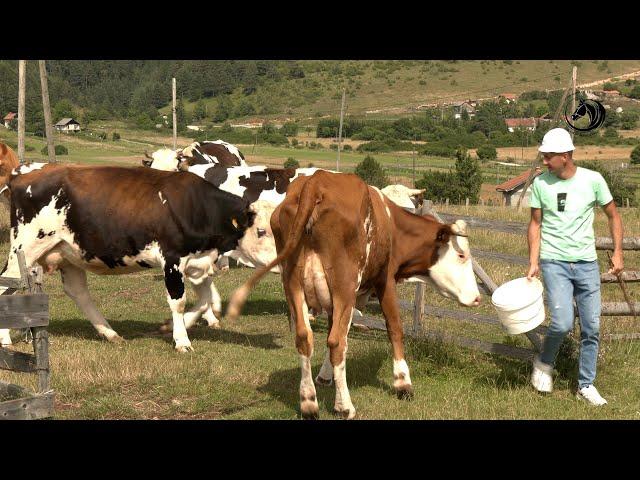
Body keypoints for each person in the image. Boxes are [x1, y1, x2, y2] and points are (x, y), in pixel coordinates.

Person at [526, 127, 624, 406]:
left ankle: (586, 385)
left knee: (592, 327)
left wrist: (618, 253)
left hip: (586, 264)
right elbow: (535, 224)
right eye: (544, 156)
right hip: (554, 262)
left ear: (566, 156)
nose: (544, 161)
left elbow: (613, 216)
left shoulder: (594, 180)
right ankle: (544, 363)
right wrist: (533, 262)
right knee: (562, 322)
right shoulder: (540, 184)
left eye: (549, 156)